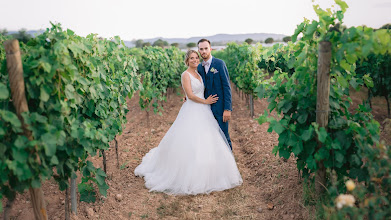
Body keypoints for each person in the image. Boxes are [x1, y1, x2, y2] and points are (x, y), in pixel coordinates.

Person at [134, 50, 242, 195]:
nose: (195, 59)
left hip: (204, 110)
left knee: (208, 138)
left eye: (196, 57)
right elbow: (190, 95)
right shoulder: (185, 75)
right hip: (193, 109)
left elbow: (203, 89)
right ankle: (188, 172)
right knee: (190, 140)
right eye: (191, 58)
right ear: (187, 60)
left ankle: (210, 168)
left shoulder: (199, 73)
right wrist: (205, 101)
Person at [197, 39, 233, 150]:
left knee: (223, 136)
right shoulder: (198, 67)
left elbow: (226, 87)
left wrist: (227, 109)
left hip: (220, 108)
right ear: (198, 50)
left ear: (210, 49)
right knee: (209, 138)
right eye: (201, 49)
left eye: (206, 48)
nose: (203, 51)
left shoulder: (219, 64)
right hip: (205, 109)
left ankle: (229, 163)